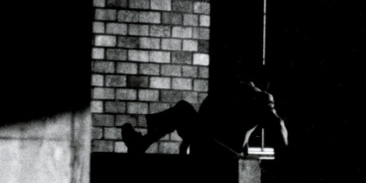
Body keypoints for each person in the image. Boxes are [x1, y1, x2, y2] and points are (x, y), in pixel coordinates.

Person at [120, 66, 288, 158]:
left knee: (183, 109)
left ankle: (141, 142)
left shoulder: (251, 95)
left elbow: (277, 123)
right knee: (183, 109)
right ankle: (141, 143)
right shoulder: (258, 96)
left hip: (219, 150)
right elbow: (278, 123)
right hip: (215, 146)